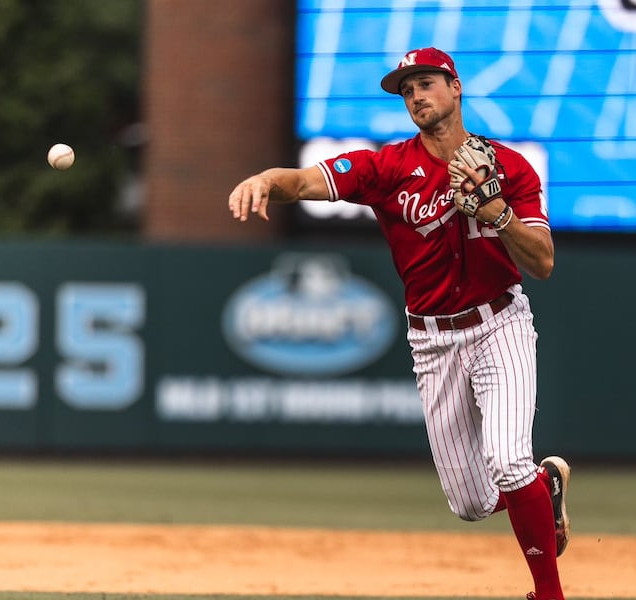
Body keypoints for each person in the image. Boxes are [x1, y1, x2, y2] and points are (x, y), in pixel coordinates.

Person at [228, 47, 570, 600]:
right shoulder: (386, 168)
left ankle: (548, 593)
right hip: (432, 339)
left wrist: (498, 213)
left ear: (455, 87)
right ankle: (542, 488)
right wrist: (267, 179)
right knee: (470, 503)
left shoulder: (510, 167)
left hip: (499, 323)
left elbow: (544, 262)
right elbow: (304, 182)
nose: (415, 96)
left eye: (426, 83)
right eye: (406, 89)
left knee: (508, 462)